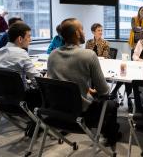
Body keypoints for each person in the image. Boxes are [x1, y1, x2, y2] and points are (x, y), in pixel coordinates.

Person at [46, 18, 120, 147]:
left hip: (56, 112)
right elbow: (104, 91)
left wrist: (87, 89)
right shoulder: (89, 55)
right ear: (76, 33)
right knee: (112, 104)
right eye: (82, 29)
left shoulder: (52, 55)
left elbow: (64, 82)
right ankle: (110, 137)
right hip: (81, 113)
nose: (84, 33)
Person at [0, 23, 41, 89]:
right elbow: (37, 82)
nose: (30, 40)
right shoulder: (22, 53)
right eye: (28, 36)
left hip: (0, 94)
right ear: (20, 39)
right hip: (23, 96)